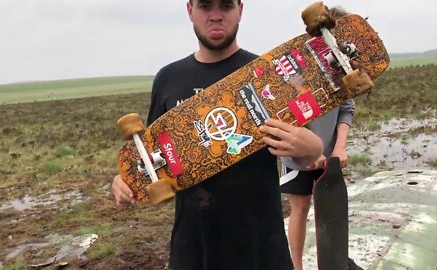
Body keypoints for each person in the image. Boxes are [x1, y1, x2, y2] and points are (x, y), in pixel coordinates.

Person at [112, 1, 324, 269]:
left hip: (261, 247)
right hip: (194, 249)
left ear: (240, 10)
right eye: (205, 6)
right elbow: (152, 157)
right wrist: (126, 180)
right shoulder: (168, 79)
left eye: (225, 6)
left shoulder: (265, 74)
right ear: (190, 10)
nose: (215, 16)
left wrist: (312, 148)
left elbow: (308, 153)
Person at [280, 6, 354, 270]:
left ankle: (333, 263)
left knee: (330, 209)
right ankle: (296, 267)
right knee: (299, 209)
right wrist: (310, 149)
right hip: (298, 155)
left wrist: (340, 148)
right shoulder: (295, 66)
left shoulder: (344, 67)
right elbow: (287, 112)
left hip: (331, 155)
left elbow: (346, 108)